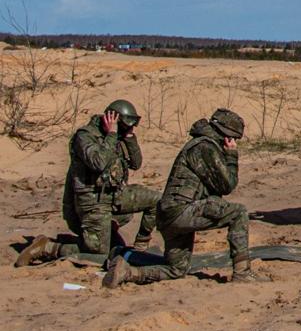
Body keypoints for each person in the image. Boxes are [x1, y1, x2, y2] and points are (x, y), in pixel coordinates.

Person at [103, 108, 266, 286]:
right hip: (182, 212)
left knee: (176, 270)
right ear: (227, 137)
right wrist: (232, 156)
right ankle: (242, 272)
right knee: (239, 213)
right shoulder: (205, 148)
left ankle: (127, 273)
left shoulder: (199, 145)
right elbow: (227, 185)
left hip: (169, 215)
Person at [16, 99, 159, 266]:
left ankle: (139, 247)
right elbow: (98, 162)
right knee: (100, 255)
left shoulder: (120, 137)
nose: (128, 128)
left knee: (157, 200)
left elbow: (136, 163)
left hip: (114, 196)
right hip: (92, 202)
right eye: (126, 125)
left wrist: (129, 138)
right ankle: (48, 247)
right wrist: (111, 135)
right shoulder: (85, 136)